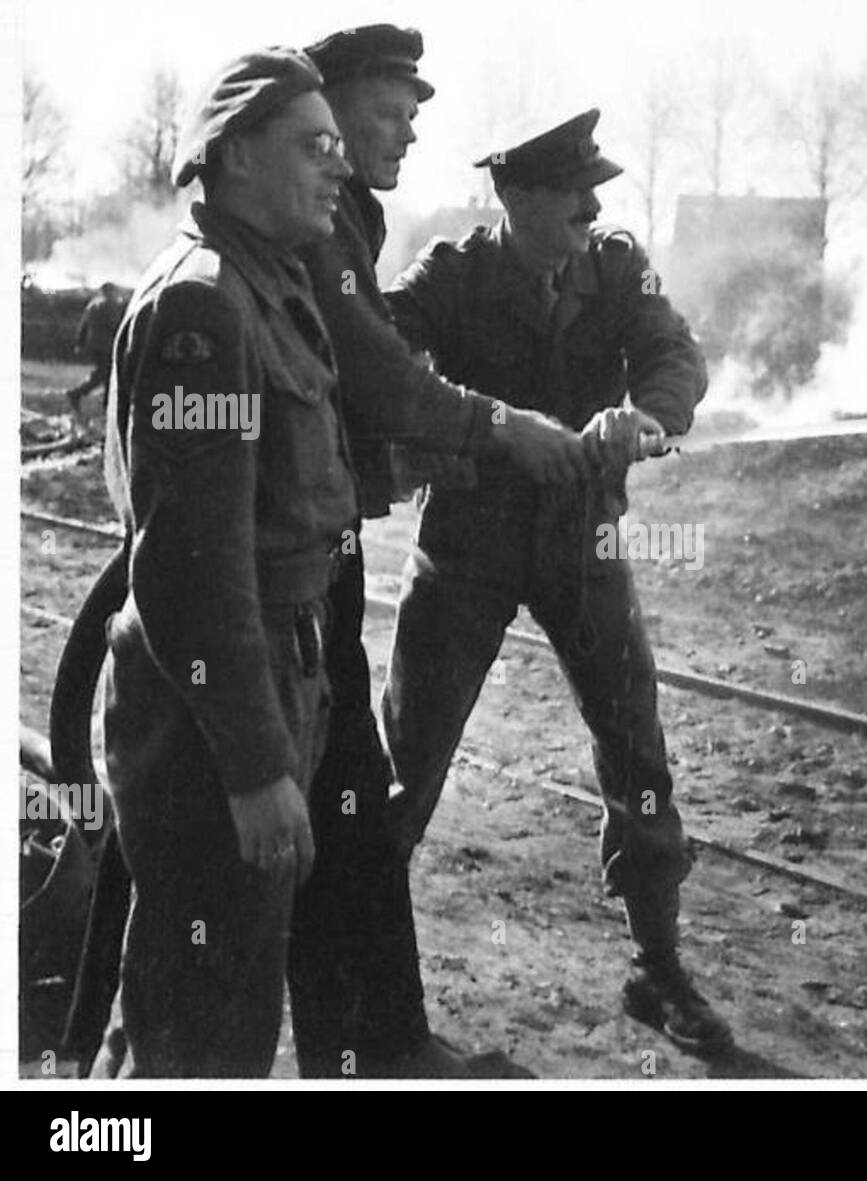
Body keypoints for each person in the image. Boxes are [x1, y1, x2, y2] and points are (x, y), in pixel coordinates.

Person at [381, 110, 733, 1055]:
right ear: (516, 197)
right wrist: (466, 428)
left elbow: (675, 358)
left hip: (584, 541)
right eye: (571, 192)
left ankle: (656, 968)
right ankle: (359, 973)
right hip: (468, 546)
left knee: (637, 745)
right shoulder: (450, 275)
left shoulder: (616, 267)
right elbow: (378, 352)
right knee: (405, 760)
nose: (592, 206)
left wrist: (643, 419)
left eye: (594, 190)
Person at [291, 23, 577, 1078]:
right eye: (389, 113)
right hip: (294, 572)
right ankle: (372, 1050)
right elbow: (371, 369)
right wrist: (497, 426)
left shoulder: (348, 215)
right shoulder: (322, 223)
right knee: (337, 813)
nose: (408, 135)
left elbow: (347, 397)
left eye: (415, 117)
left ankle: (372, 1045)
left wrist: (402, 457)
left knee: (352, 810)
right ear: (322, 112)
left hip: (324, 554)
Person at [98, 47, 356, 1077]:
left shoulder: (267, 285)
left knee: (194, 989)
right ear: (237, 155)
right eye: (314, 144)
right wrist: (255, 768)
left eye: (339, 143)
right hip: (214, 723)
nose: (338, 165)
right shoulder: (207, 307)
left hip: (266, 684)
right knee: (204, 1022)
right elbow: (190, 570)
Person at [66, 282, 127, 414]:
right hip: (106, 345)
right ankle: (77, 393)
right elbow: (115, 325)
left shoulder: (93, 305)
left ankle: (107, 403)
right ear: (111, 292)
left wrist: (80, 343)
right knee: (104, 373)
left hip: (93, 344)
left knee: (107, 373)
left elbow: (83, 325)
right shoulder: (110, 305)